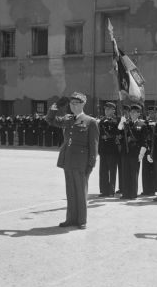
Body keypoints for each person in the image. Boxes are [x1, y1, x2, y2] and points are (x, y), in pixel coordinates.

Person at [46, 92, 99, 229]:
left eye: (76, 103)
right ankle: (71, 219)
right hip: (67, 160)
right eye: (71, 103)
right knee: (70, 191)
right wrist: (54, 108)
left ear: (82, 104)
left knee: (81, 192)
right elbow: (50, 120)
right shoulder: (68, 119)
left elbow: (94, 146)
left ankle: (81, 220)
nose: (73, 106)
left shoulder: (90, 121)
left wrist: (91, 164)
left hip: (81, 162)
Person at [118, 104, 148, 200]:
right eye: (131, 112)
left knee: (133, 173)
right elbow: (119, 131)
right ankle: (126, 193)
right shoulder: (126, 123)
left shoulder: (142, 125)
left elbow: (144, 141)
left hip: (135, 152)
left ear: (139, 113)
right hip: (125, 151)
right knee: (125, 173)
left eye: (135, 112)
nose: (132, 113)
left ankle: (133, 193)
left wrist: (141, 154)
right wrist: (121, 122)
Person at [97, 102, 120, 197]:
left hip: (112, 149)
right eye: (105, 109)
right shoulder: (101, 121)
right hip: (103, 149)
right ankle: (104, 190)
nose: (106, 111)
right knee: (103, 171)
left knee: (112, 170)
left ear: (113, 110)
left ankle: (111, 190)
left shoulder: (117, 120)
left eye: (109, 109)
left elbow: (119, 133)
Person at [141, 106, 157, 196]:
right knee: (146, 170)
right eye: (150, 112)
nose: (152, 114)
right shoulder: (145, 123)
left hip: (156, 150)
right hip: (147, 149)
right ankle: (146, 189)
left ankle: (154, 189)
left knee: (155, 170)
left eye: (154, 112)